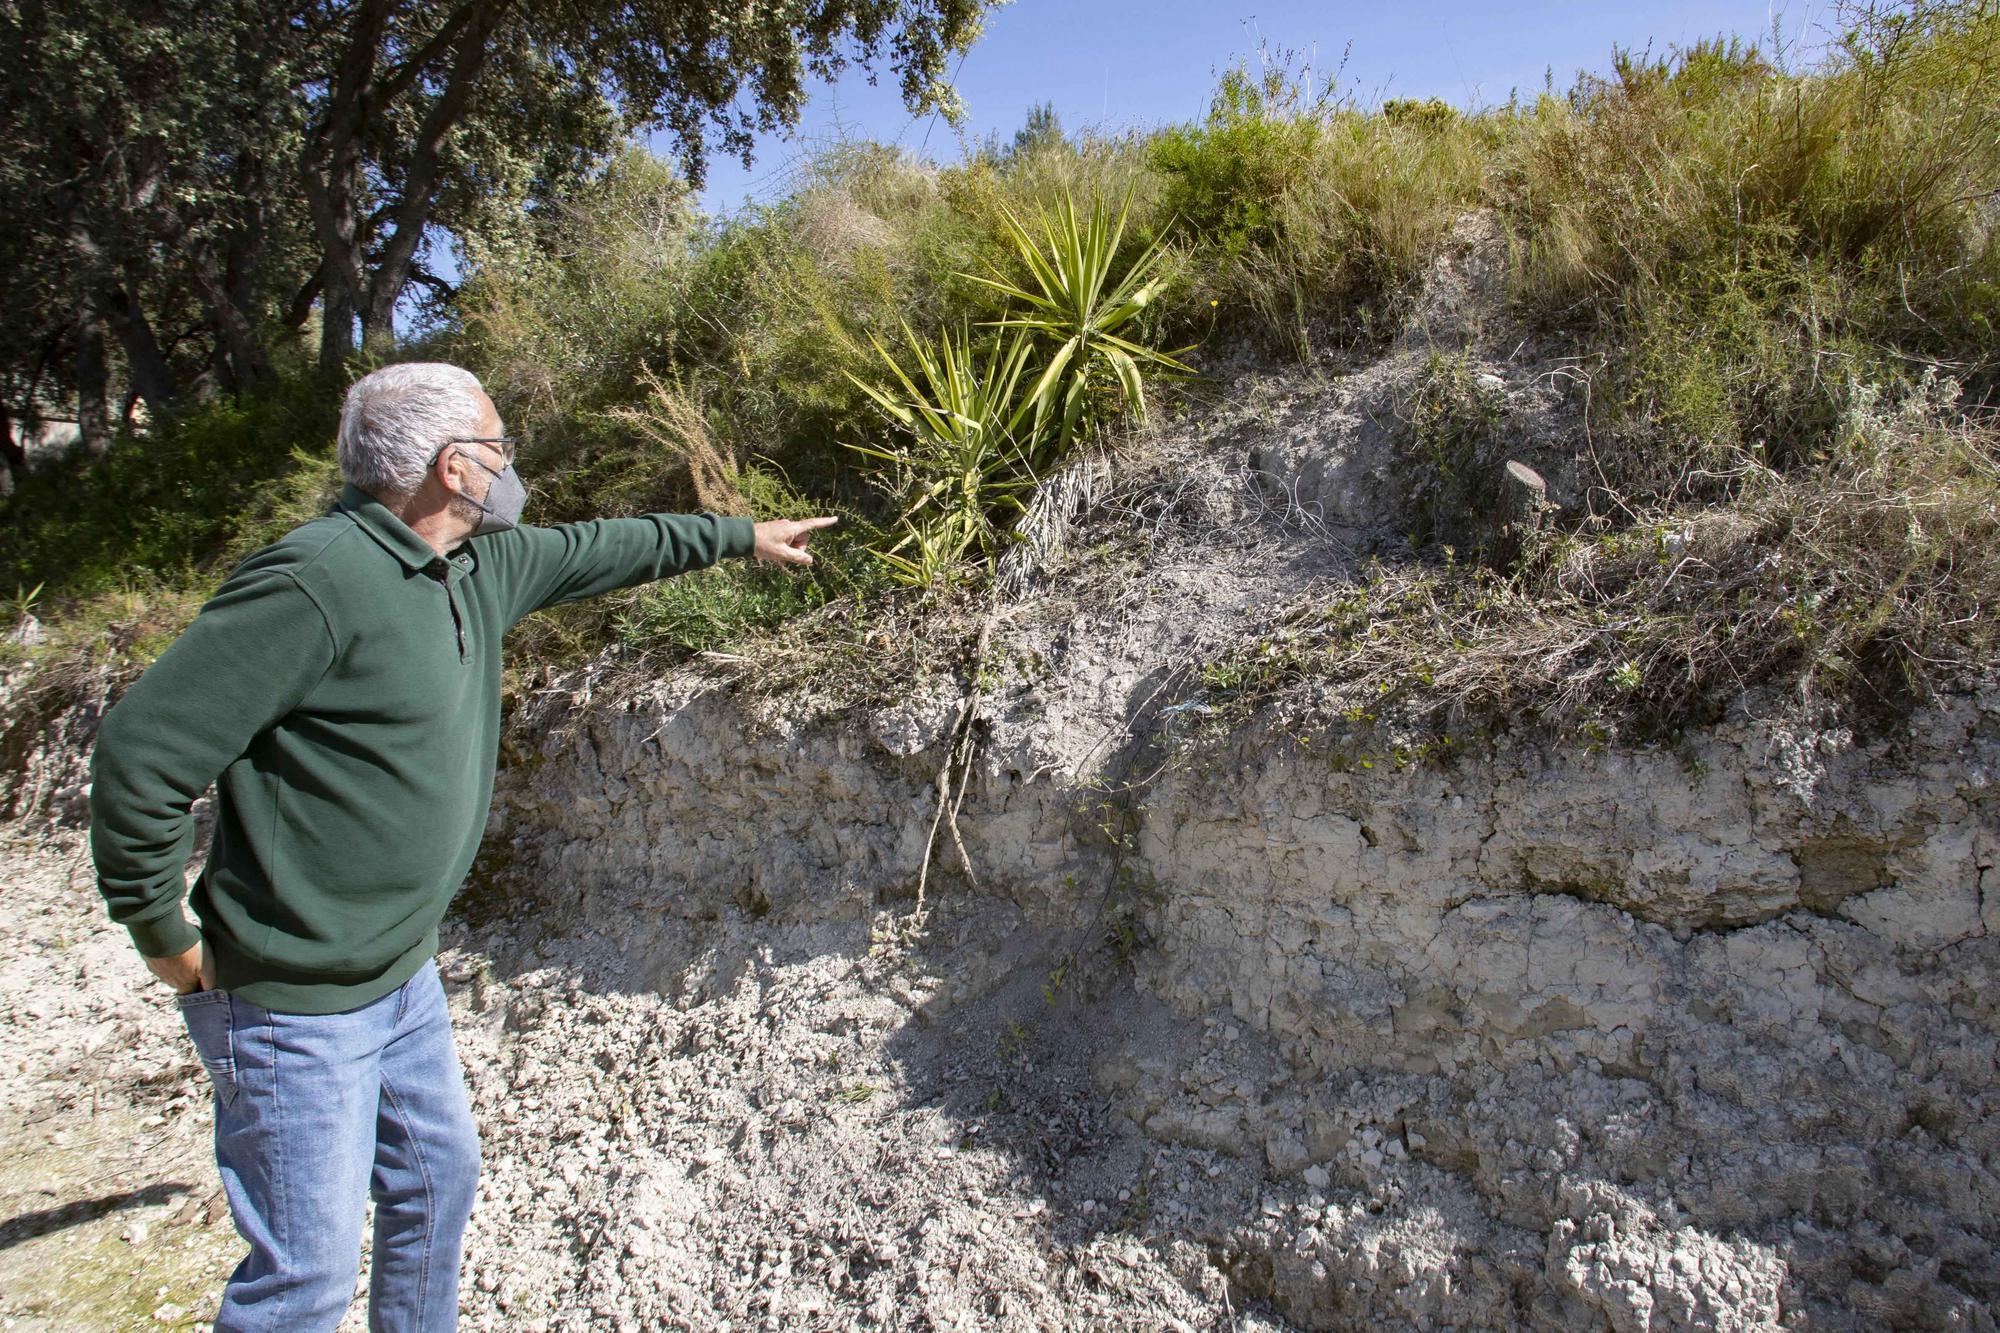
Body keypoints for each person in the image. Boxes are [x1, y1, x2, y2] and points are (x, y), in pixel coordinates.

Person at [87, 361, 834, 1331]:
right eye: (499, 447)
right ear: (453, 466)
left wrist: (739, 535)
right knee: (302, 1284)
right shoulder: (318, 579)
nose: (510, 467)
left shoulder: (471, 567)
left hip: (401, 979)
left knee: (435, 1188)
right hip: (289, 1007)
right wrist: (162, 933)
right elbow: (140, 755)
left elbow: (602, 547)